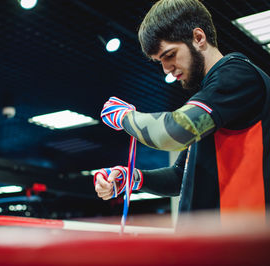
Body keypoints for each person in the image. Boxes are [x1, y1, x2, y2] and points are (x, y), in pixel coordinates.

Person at [94, 0, 270, 218]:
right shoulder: (210, 97)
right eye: (160, 61)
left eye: (169, 55)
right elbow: (181, 176)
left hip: (240, 245)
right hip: (211, 245)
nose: (166, 69)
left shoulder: (236, 76)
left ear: (198, 38)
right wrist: (131, 178)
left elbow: (172, 132)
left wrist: (124, 117)